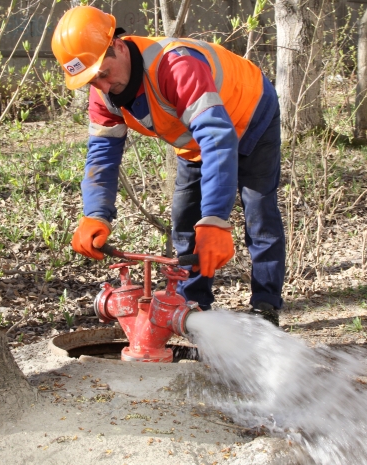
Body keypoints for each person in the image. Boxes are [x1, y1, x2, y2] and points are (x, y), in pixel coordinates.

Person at [51, 5, 285, 325]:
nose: (103, 87)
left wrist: (216, 218)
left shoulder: (176, 66)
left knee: (259, 211)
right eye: (92, 81)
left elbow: (218, 139)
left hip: (250, 111)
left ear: (118, 46)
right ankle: (193, 307)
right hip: (197, 140)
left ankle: (265, 305)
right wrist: (95, 213)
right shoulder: (104, 94)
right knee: (185, 217)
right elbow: (101, 156)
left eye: (103, 74)